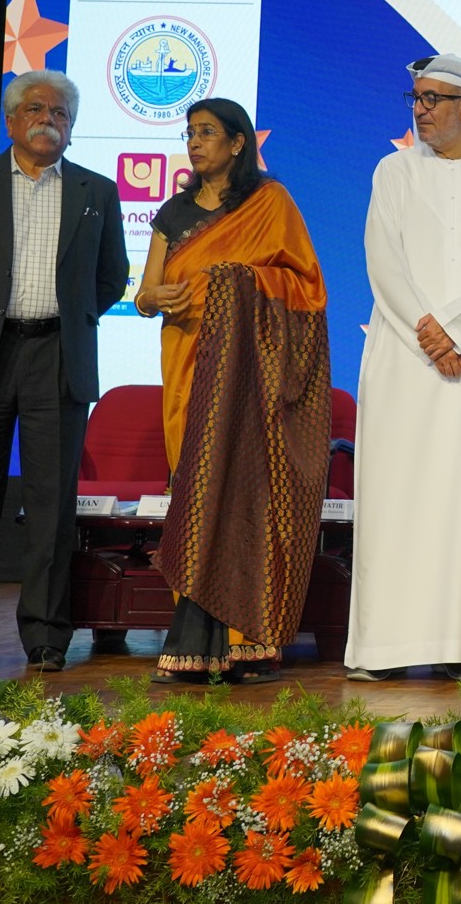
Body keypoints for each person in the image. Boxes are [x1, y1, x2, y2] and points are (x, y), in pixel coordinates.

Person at [0, 70, 129, 677]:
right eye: (36, 109)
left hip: (57, 357)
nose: (48, 120)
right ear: (11, 120)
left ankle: (46, 636)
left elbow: (111, 277)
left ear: (72, 127)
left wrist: (64, 319)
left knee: (50, 507)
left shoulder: (96, 191)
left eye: (60, 113)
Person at [134, 98, 331, 683]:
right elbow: (145, 293)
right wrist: (153, 299)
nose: (195, 143)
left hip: (253, 380)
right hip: (189, 370)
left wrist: (236, 283)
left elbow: (307, 287)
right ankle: (196, 642)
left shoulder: (269, 203)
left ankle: (249, 641)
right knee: (194, 492)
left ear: (237, 142)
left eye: (207, 133)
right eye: (190, 134)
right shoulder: (174, 213)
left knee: (248, 496)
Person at [345, 56, 461, 682]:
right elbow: (382, 259)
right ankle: (383, 648)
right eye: (415, 99)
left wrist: (458, 332)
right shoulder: (391, 171)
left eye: (433, 99)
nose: (420, 110)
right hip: (403, 355)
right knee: (396, 496)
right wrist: (430, 334)